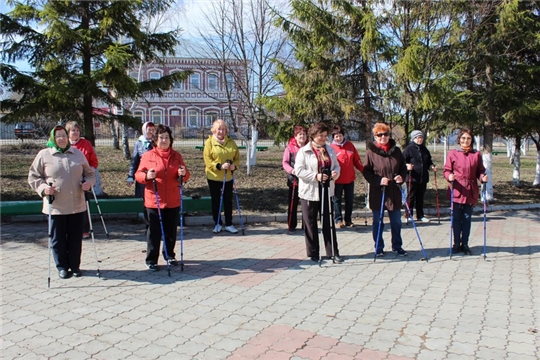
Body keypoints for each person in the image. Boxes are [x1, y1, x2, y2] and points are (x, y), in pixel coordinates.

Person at [28, 125, 96, 279]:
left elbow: (90, 173)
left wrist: (88, 183)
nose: (62, 139)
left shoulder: (78, 154)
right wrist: (44, 188)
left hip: (77, 205)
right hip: (56, 206)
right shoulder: (44, 155)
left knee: (75, 238)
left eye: (64, 135)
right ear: (53, 138)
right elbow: (33, 177)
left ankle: (75, 265)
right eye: (58, 136)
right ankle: (62, 267)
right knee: (58, 238)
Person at [135, 124, 190, 271]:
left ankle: (169, 255)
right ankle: (151, 259)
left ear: (170, 140)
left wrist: (183, 173)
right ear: (155, 140)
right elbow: (138, 175)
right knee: (154, 232)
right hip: (154, 200)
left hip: (172, 199)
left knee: (170, 230)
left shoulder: (176, 156)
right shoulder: (148, 156)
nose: (164, 140)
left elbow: (186, 175)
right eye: (161, 138)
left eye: (167, 137)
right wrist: (147, 176)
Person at [294, 122, 342, 263]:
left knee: (329, 223)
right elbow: (299, 170)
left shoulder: (330, 150)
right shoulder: (304, 151)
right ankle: (313, 253)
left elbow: (337, 166)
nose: (323, 138)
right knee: (311, 223)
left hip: (327, 190)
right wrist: (316, 176)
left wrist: (335, 173)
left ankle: (333, 251)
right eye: (320, 135)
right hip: (309, 191)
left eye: (325, 136)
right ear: (313, 135)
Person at [363, 122, 407, 257]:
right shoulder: (371, 152)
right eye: (379, 135)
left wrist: (401, 177)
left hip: (394, 191)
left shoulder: (397, 151)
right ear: (375, 137)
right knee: (378, 221)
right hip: (379, 192)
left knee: (396, 222)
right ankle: (379, 247)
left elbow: (403, 168)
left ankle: (397, 246)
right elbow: (366, 171)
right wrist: (378, 180)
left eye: (385, 134)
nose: (383, 137)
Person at [443, 129, 488, 256]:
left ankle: (465, 244)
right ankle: (456, 243)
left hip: (470, 190)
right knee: (456, 218)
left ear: (471, 140)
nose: (465, 141)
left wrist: (482, 177)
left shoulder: (476, 154)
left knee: (467, 219)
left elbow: (480, 170)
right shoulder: (453, 153)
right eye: (463, 138)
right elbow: (446, 170)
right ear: (459, 140)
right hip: (457, 189)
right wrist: (449, 176)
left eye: (468, 138)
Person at [203, 119, 240, 234]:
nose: (221, 131)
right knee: (216, 201)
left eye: (223, 129)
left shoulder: (231, 142)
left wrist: (234, 166)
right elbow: (207, 160)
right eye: (219, 129)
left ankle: (229, 223)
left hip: (228, 176)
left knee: (228, 200)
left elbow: (237, 157)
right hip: (214, 176)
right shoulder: (209, 143)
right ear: (214, 130)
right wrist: (219, 166)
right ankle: (217, 223)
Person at [66, 121, 99, 238]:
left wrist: (91, 171)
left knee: (84, 203)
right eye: (73, 130)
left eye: (77, 130)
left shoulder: (85, 143)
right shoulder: (64, 145)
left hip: (84, 177)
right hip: (69, 178)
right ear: (68, 132)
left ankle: (84, 228)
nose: (75, 133)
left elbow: (93, 160)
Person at [330, 125, 364, 228]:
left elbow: (357, 160)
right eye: (336, 136)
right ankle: (338, 220)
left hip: (349, 179)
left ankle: (348, 220)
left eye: (340, 136)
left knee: (349, 200)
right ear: (333, 137)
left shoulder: (350, 146)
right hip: (337, 180)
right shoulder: (331, 148)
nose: (338, 138)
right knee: (337, 200)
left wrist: (364, 171)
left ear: (343, 136)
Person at [402, 130, 437, 223]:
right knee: (411, 197)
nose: (419, 139)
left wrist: (432, 166)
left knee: (420, 198)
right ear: (413, 139)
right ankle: (408, 215)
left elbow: (428, 161)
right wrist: (407, 166)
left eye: (421, 137)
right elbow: (402, 162)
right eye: (417, 137)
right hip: (412, 177)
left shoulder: (424, 150)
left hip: (423, 178)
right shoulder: (408, 149)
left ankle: (420, 215)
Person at [127, 122, 155, 227]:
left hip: (155, 176)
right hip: (143, 177)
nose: (151, 132)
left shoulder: (156, 142)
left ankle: (154, 222)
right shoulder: (139, 143)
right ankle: (147, 222)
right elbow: (134, 161)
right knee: (144, 200)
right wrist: (130, 176)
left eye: (153, 129)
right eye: (149, 129)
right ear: (144, 130)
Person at [282, 125, 308, 233]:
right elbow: (285, 162)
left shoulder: (309, 147)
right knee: (293, 202)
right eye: (300, 134)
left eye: (304, 134)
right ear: (295, 136)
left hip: (307, 179)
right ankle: (291, 225)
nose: (302, 136)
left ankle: (306, 225)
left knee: (306, 204)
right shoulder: (290, 147)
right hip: (294, 179)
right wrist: (292, 171)